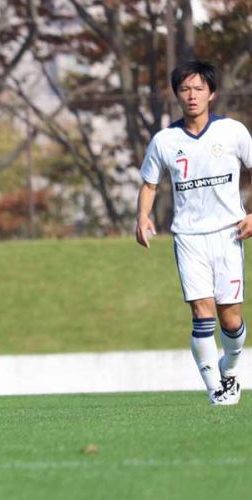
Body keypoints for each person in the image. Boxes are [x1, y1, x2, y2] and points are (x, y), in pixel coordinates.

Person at [136, 60, 250, 405]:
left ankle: (229, 367)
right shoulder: (165, 140)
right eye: (185, 89)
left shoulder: (233, 132)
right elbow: (149, 184)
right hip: (188, 237)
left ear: (211, 94)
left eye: (199, 89)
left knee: (231, 319)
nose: (192, 95)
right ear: (177, 95)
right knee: (201, 312)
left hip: (229, 234)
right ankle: (215, 387)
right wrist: (142, 217)